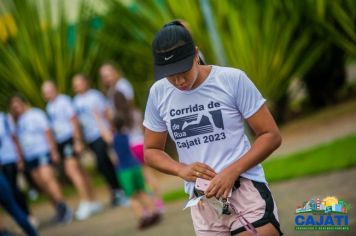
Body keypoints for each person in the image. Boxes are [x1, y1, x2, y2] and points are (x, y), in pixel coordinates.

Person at [143, 21, 283, 236]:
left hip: (244, 190)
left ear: (196, 54)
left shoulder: (231, 79)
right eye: (170, 74)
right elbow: (151, 151)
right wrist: (181, 169)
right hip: (203, 204)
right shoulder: (158, 93)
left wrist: (232, 170)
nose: (179, 80)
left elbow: (271, 135)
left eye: (183, 70)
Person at [41, 81, 102, 220]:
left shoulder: (64, 101)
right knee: (80, 170)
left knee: (72, 170)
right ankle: (93, 200)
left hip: (70, 138)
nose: (47, 94)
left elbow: (74, 121)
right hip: (61, 141)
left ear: (55, 89)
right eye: (45, 92)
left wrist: (78, 141)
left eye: (49, 90)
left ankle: (86, 201)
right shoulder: (49, 106)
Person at [9, 95, 73, 224]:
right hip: (30, 156)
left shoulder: (35, 114)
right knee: (41, 184)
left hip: (42, 151)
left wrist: (53, 150)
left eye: (18, 104)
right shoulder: (17, 122)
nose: (16, 108)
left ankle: (64, 207)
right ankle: (58, 208)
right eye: (13, 107)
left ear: (23, 103)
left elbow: (47, 131)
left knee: (48, 179)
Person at [97, 113, 162, 230]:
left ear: (112, 126)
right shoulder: (127, 135)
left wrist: (98, 119)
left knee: (132, 197)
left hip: (124, 170)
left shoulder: (113, 138)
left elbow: (103, 133)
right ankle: (154, 212)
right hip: (136, 166)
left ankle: (142, 218)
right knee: (142, 192)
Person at [72, 74, 127, 206]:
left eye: (79, 83)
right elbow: (78, 123)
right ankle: (116, 190)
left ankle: (119, 190)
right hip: (90, 137)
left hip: (101, 134)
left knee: (104, 161)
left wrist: (111, 129)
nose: (77, 86)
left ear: (86, 83)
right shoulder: (76, 101)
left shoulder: (95, 96)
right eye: (75, 84)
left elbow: (106, 112)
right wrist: (80, 140)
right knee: (102, 165)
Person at [112, 92, 165, 213]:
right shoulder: (135, 112)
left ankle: (146, 207)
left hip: (131, 148)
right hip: (142, 144)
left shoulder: (118, 117)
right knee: (149, 175)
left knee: (140, 179)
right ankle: (158, 202)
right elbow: (144, 128)